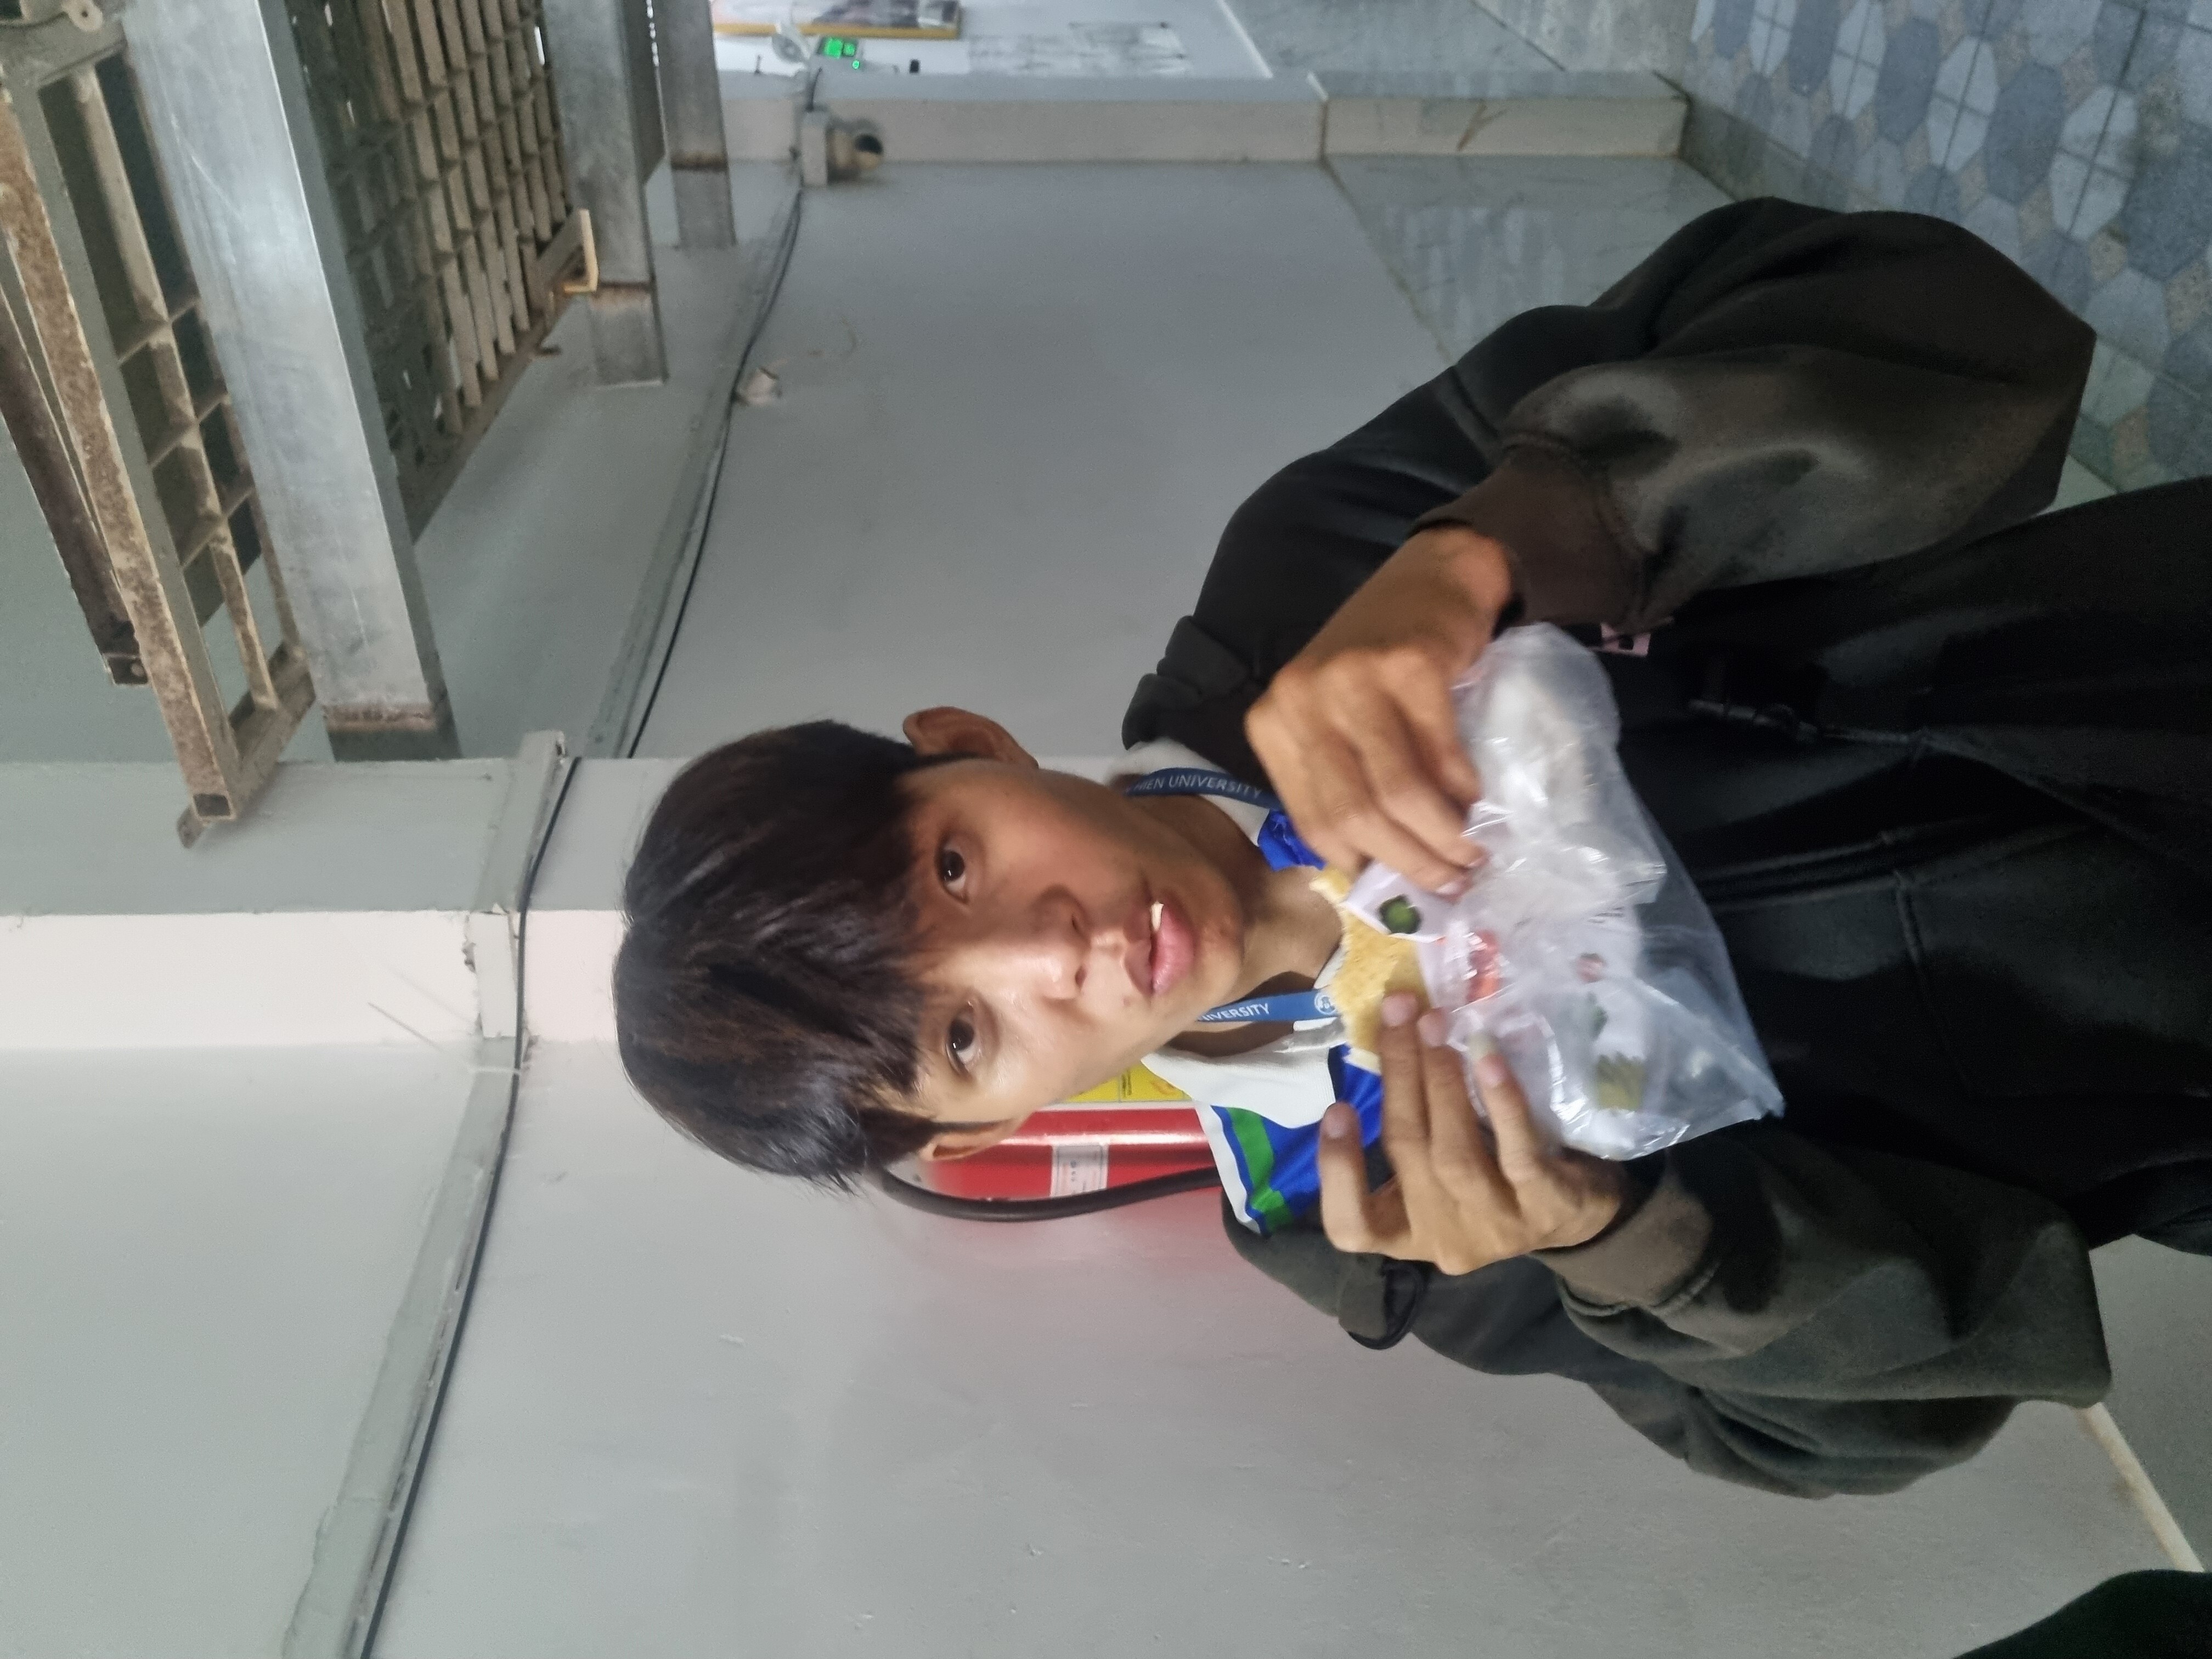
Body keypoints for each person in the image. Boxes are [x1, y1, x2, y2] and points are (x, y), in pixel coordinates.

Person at [614, 199, 2212, 1498]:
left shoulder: (1304, 578)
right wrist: (1619, 1239)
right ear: (988, 1130)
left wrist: (1502, 543)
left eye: (954, 869)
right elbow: (1879, 1422)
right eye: (965, 1038)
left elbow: (1927, 301)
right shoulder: (1354, 1213)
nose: (1054, 950)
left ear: (970, 744)